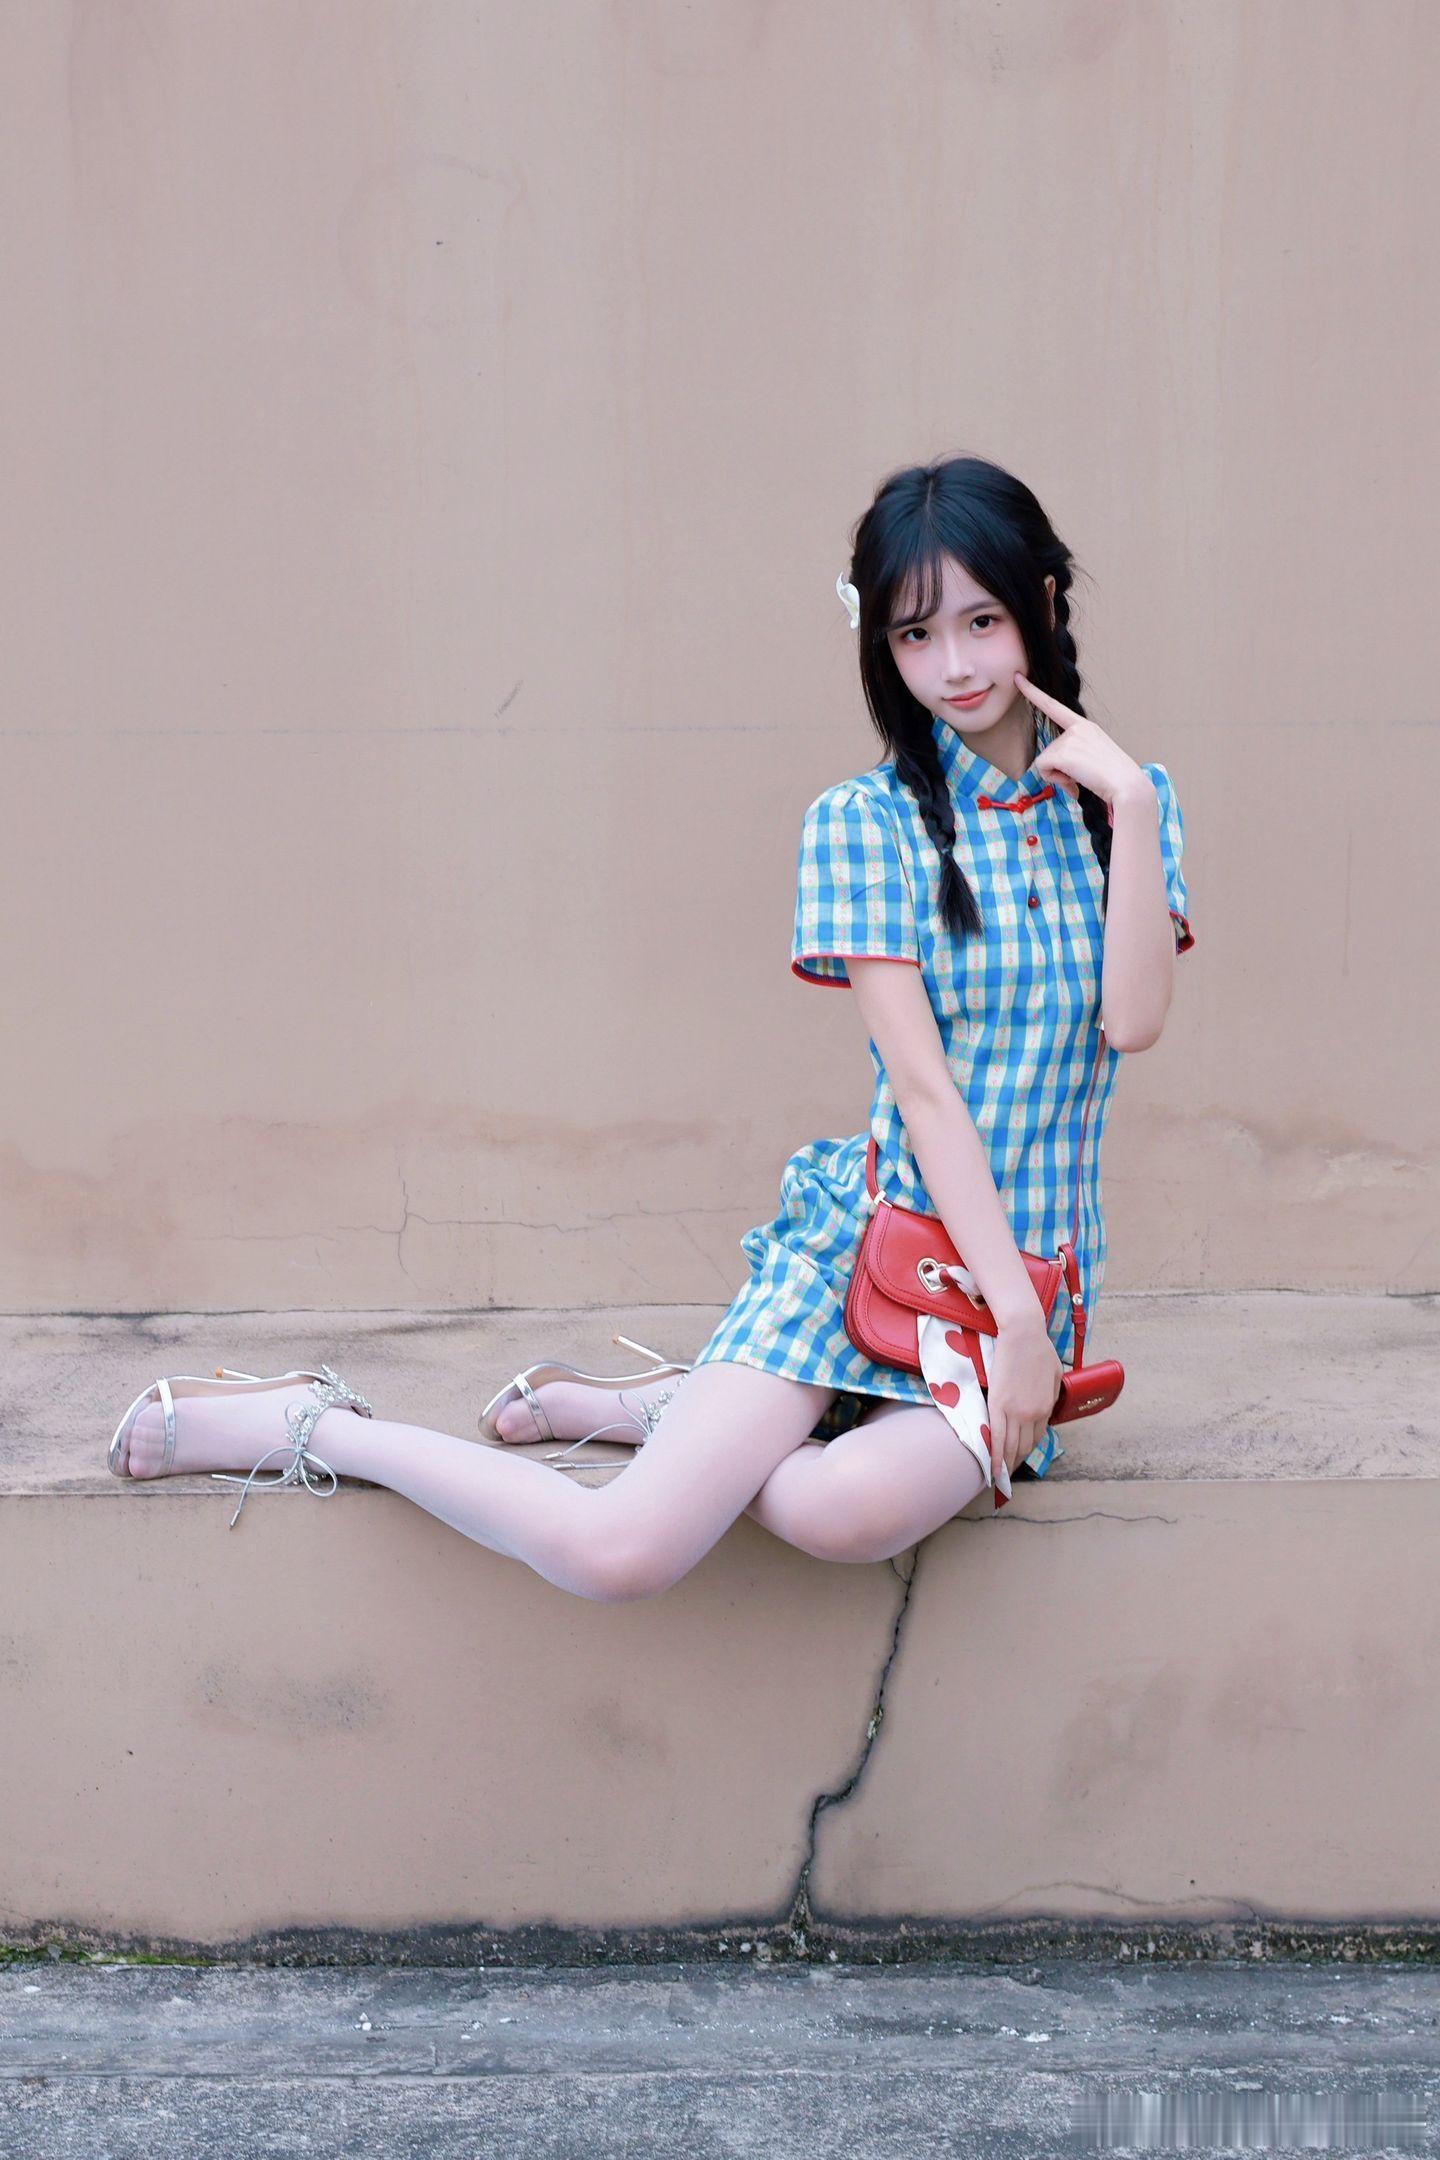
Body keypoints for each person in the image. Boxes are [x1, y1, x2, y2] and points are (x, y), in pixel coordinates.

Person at [107, 452, 1192, 1601]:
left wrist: (1128, 805)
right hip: (885, 1255)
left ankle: (690, 1411)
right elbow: (924, 1095)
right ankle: (316, 1425)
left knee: (836, 1512)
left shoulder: (1127, 806)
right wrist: (1014, 1322)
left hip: (1030, 1282)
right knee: (618, 1553)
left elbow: (1130, 1024)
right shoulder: (864, 823)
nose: (955, 665)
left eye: (982, 621)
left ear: (1043, 604)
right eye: (916, 634)